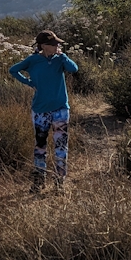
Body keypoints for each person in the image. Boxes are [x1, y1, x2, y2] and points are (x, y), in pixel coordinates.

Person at [9, 30, 78, 191]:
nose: (57, 46)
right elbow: (13, 70)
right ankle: (39, 181)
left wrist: (63, 56)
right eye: (53, 44)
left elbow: (74, 69)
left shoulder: (59, 59)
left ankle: (59, 182)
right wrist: (29, 82)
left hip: (61, 109)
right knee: (40, 146)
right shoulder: (32, 60)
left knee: (61, 146)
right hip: (40, 111)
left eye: (57, 43)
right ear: (43, 46)